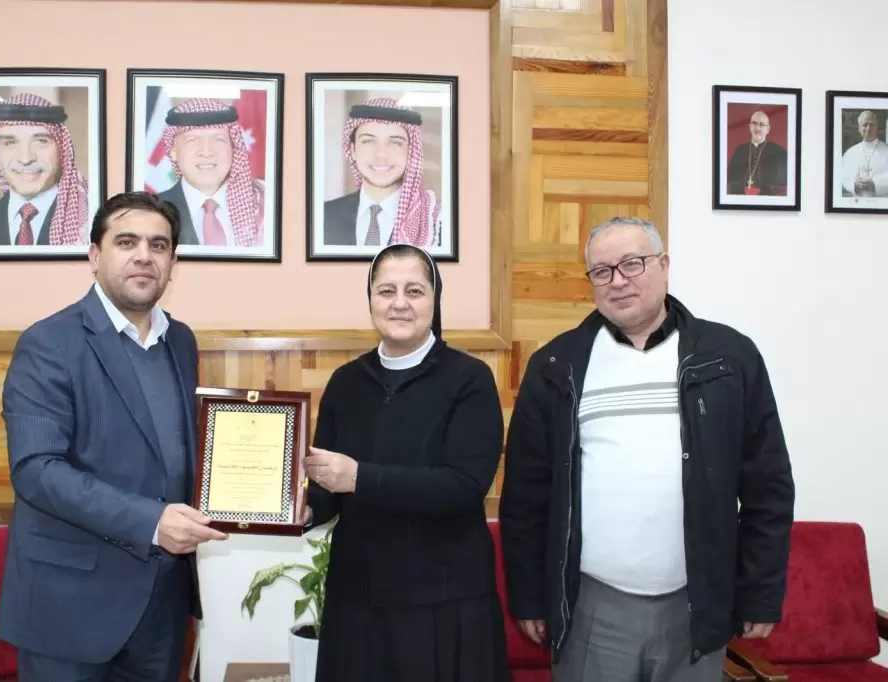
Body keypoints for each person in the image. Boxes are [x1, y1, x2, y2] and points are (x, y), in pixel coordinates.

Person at [498, 216, 795, 682]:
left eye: (632, 263)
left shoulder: (730, 358)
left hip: (695, 605)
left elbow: (768, 487)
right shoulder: (555, 366)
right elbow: (525, 497)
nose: (618, 281)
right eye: (602, 271)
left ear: (664, 265)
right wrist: (530, 596)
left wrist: (760, 592)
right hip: (591, 606)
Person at [0, 191, 227, 681]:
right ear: (95, 256)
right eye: (127, 242)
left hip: (162, 605)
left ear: (172, 263)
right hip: (69, 606)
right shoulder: (48, 343)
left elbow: (180, 452)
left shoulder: (180, 340)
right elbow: (37, 471)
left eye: (158, 245)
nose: (144, 255)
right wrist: (151, 522)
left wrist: (273, 493)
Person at [303, 243, 509, 682]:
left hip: (444, 600)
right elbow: (326, 488)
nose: (399, 303)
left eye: (414, 290)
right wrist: (297, 510)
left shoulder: (469, 379)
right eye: (386, 291)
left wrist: (360, 478)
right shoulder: (345, 382)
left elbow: (464, 485)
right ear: (370, 300)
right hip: (358, 599)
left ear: (435, 300)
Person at [0, 92, 89, 246]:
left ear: (62, 151)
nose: (25, 159)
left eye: (41, 141)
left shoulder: (88, 223)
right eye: (10, 143)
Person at [322, 98, 441, 248]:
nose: (381, 155)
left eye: (395, 142)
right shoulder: (322, 216)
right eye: (368, 141)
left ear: (410, 152)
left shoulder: (435, 221)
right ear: (352, 150)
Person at [155, 97, 266, 247]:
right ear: (173, 151)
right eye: (193, 140)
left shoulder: (264, 205)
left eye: (218, 139)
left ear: (233, 147)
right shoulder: (153, 209)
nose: (206, 152)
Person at [726, 110, 788, 196]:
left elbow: (782, 187)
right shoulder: (740, 150)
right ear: (750, 127)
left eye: (762, 124)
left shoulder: (778, 151)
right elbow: (731, 181)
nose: (757, 128)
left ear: (768, 129)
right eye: (754, 123)